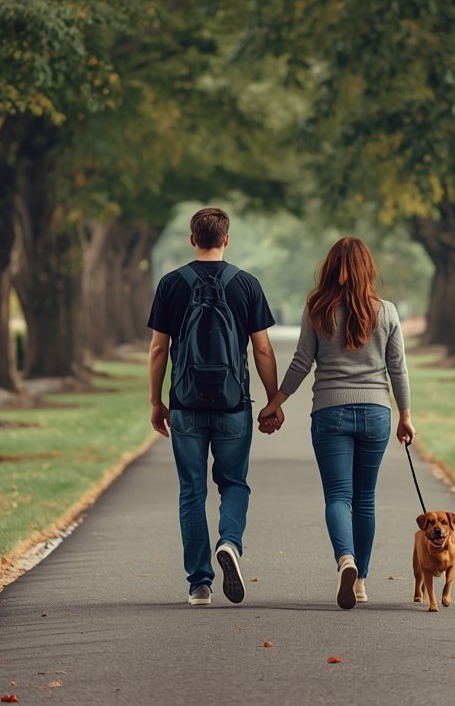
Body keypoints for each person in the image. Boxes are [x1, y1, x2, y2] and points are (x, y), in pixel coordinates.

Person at [258, 236, 414, 610]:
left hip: (329, 412)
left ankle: (345, 558)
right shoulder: (387, 311)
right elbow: (398, 369)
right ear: (368, 269)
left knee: (338, 496)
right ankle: (360, 581)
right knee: (365, 500)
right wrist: (405, 415)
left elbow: (301, 362)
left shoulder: (317, 308)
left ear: (329, 268)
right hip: (376, 412)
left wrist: (275, 402)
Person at [147, 207, 279, 606]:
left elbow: (158, 349)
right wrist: (273, 399)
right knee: (234, 484)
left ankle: (199, 584)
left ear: (192, 239)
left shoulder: (171, 284)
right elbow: (262, 348)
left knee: (191, 490)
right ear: (226, 238)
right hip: (232, 404)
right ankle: (230, 543)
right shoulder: (246, 284)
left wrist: (156, 401)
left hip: (185, 405)